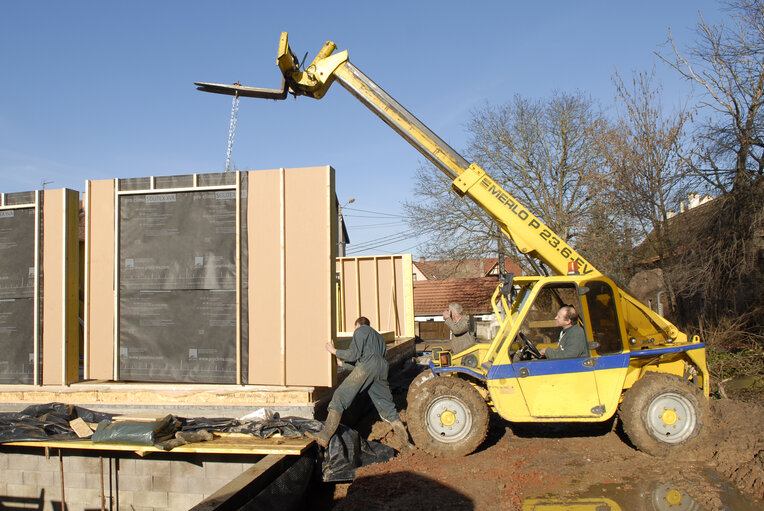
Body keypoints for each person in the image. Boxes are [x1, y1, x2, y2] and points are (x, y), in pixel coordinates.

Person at [306, 316, 412, 452]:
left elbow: (354, 355)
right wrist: (341, 363)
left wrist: (334, 351)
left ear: (357, 325)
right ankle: (406, 444)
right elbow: (367, 360)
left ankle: (324, 436)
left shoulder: (360, 330)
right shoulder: (378, 338)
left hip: (368, 367)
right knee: (387, 407)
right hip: (381, 368)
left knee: (340, 396)